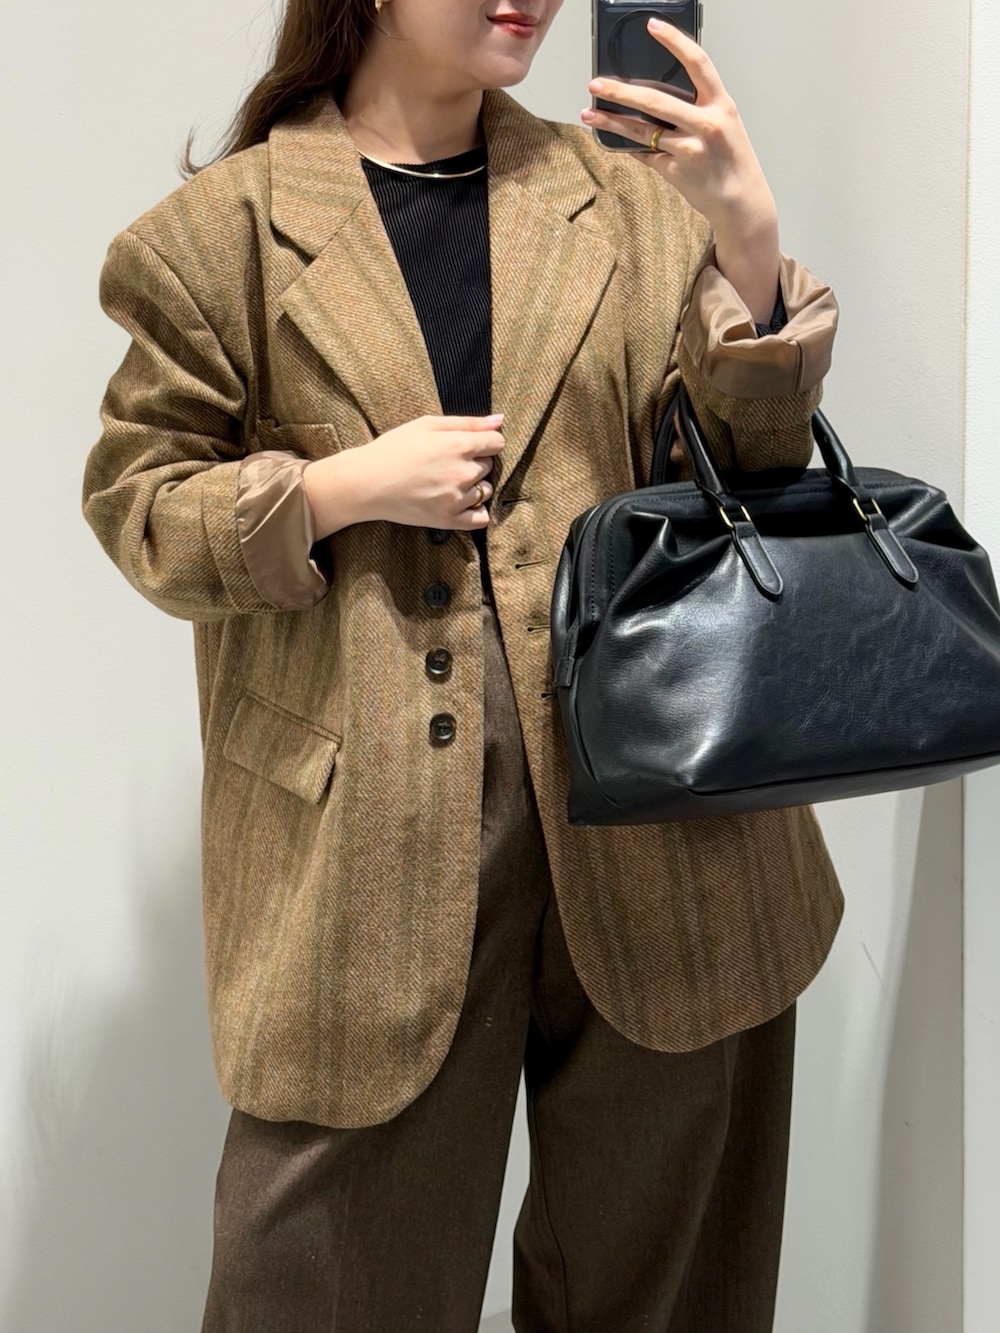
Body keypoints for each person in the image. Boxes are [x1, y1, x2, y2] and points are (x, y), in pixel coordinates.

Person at [82, 1, 844, 1329]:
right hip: (366, 861)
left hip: (662, 833)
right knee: (322, 1281)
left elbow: (746, 477)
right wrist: (333, 490)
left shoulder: (624, 199)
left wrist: (747, 239)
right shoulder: (221, 236)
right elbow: (141, 506)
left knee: (663, 1287)